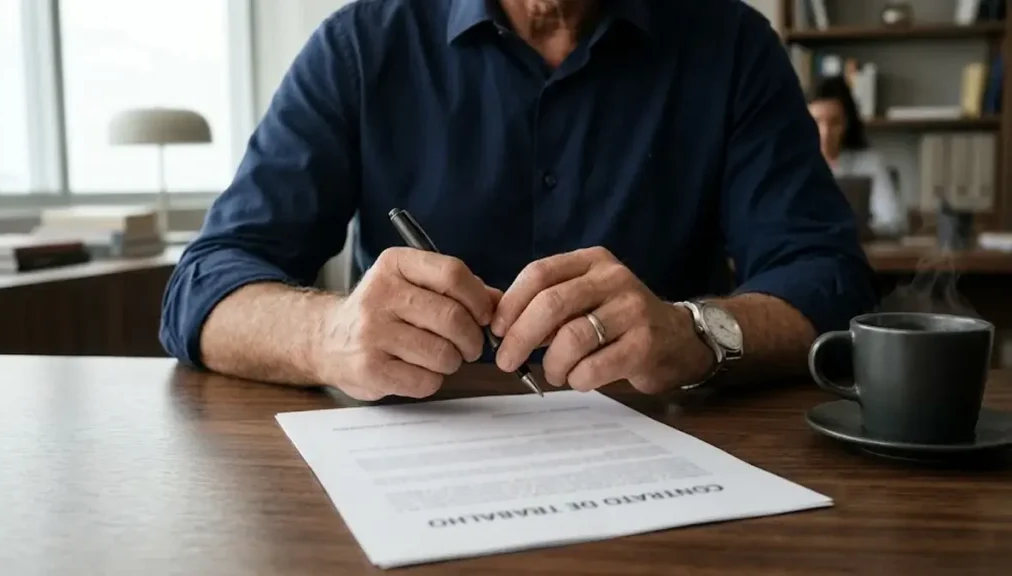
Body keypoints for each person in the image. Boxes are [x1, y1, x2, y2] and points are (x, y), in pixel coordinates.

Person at [160, 0, 877, 402]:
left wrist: (694, 331)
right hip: (407, 471)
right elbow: (203, 288)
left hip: (666, 464)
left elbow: (826, 281)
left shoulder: (733, 46)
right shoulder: (360, 46)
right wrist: (329, 335)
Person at [807, 75, 907, 237]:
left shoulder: (870, 163)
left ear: (848, 123)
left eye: (835, 122)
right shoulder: (789, 164)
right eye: (816, 121)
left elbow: (893, 221)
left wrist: (859, 230)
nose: (825, 133)